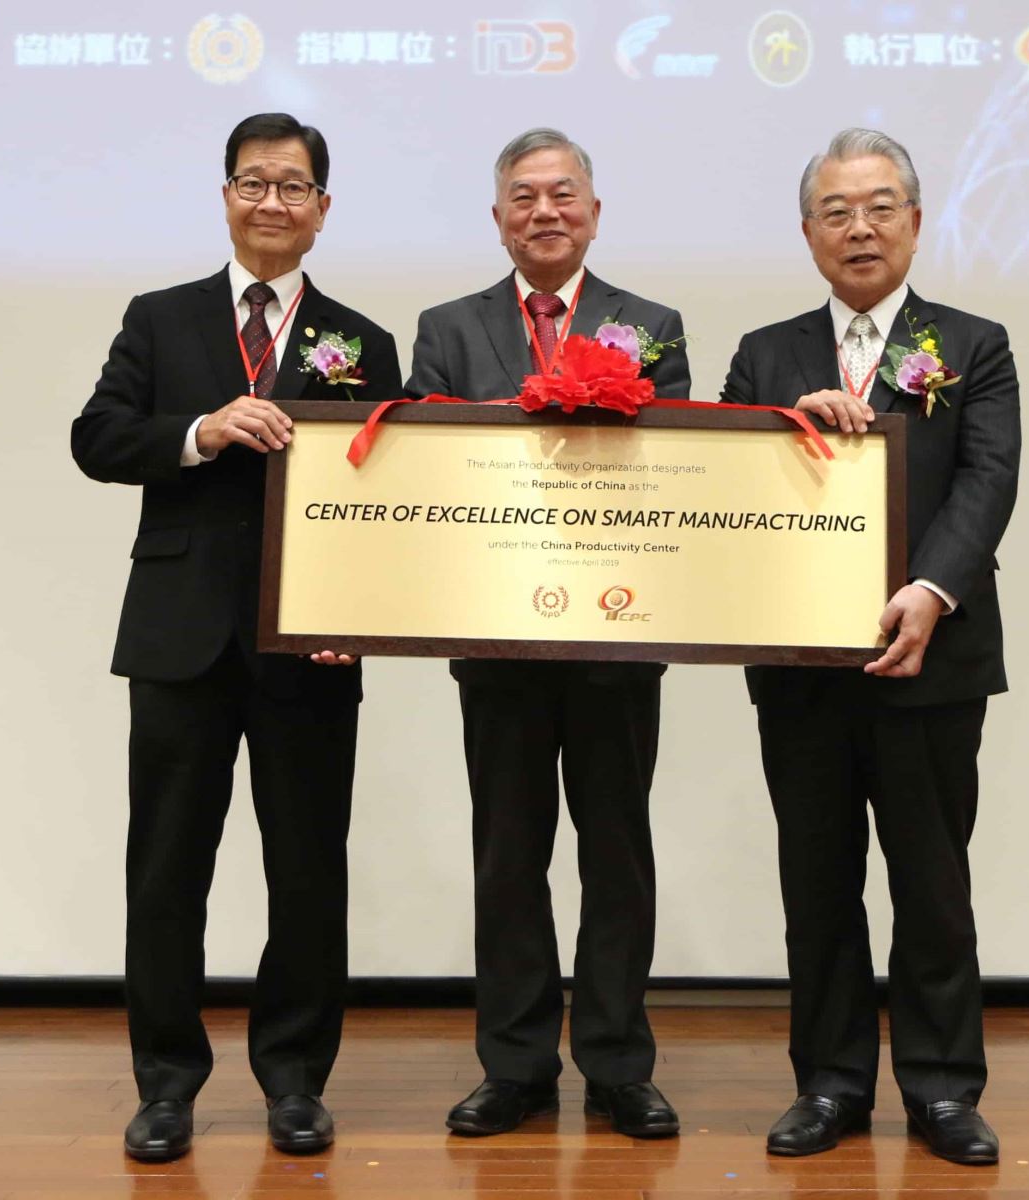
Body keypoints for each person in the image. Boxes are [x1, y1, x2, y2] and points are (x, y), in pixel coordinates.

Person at [71, 112, 402, 1162]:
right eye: (254, 182)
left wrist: (360, 614)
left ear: (322, 210)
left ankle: (295, 1081)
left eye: (293, 186)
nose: (273, 202)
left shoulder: (364, 341)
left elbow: (388, 495)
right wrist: (200, 432)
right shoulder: (160, 319)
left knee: (308, 869)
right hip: (178, 638)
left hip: (308, 644)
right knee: (166, 868)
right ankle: (165, 1084)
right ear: (224, 197)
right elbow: (97, 439)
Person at [721, 128, 1020, 1165]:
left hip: (931, 657)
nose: (859, 228)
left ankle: (941, 1089)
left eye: (879, 206)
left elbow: (985, 483)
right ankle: (831, 1083)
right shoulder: (764, 355)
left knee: (931, 882)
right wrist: (780, 426)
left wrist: (929, 591)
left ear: (916, 221)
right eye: (837, 211)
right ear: (806, 233)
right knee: (816, 879)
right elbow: (721, 486)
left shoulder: (971, 344)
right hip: (802, 668)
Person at [405, 128, 689, 1139]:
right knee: (508, 851)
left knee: (615, 851)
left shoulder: (649, 324)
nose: (543, 211)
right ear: (497, 220)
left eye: (562, 193)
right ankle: (515, 1065)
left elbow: (665, 467)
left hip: (615, 634)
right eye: (522, 197)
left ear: (593, 212)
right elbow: (430, 466)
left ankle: (617, 1065)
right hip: (496, 638)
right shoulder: (446, 326)